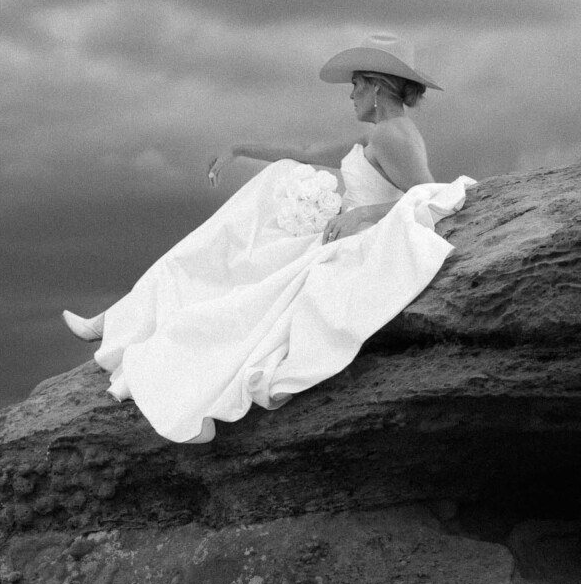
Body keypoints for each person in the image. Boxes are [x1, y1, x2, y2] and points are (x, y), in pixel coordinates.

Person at [62, 34, 474, 444]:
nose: (350, 95)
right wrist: (239, 148)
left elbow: (429, 194)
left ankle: (127, 333)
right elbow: (307, 150)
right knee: (255, 207)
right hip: (333, 234)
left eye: (355, 85)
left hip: (348, 241)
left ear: (377, 86)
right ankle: (118, 319)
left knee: (222, 287)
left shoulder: (395, 136)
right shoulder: (380, 134)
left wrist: (365, 214)